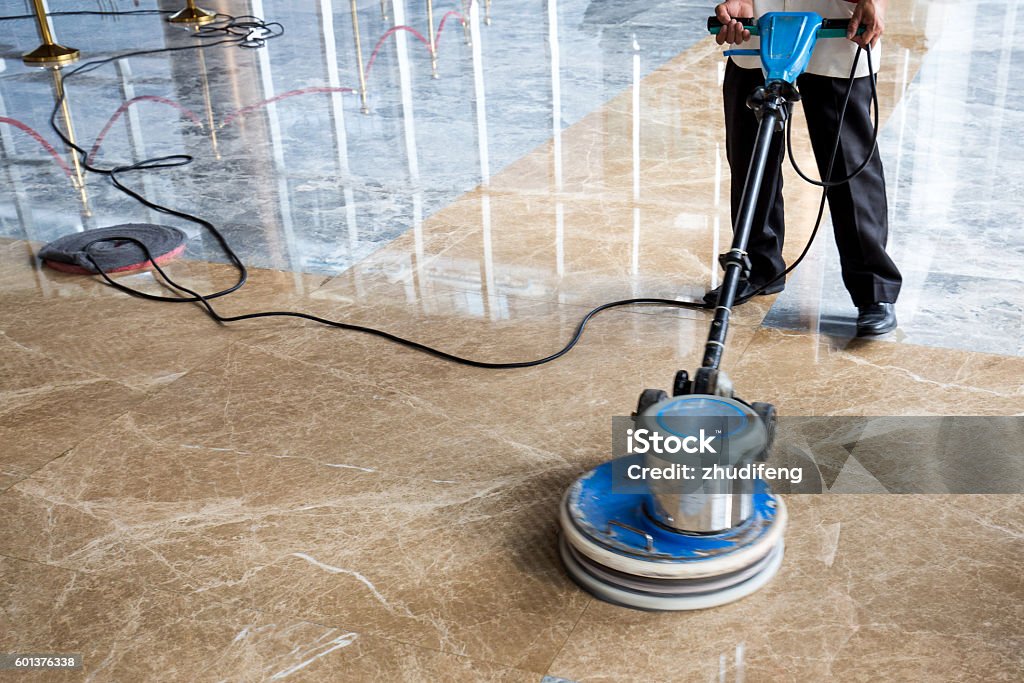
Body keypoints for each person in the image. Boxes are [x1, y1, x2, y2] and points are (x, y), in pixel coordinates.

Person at [709, 0, 901, 336]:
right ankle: (757, 267)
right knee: (750, 154)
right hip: (759, 22)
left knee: (848, 163)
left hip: (838, 20)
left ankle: (874, 290)